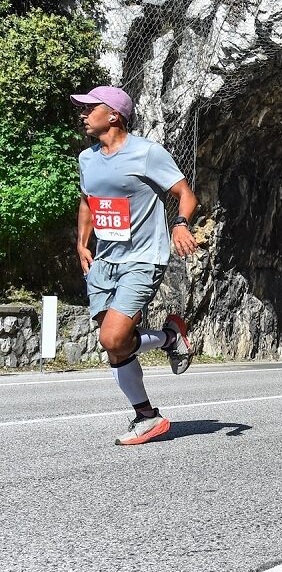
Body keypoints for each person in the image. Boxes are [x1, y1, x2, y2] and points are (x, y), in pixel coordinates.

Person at [73, 86, 197, 445]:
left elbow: (185, 193)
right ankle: (169, 342)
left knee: (111, 337)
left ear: (113, 115)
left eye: (89, 108)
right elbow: (88, 201)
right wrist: (82, 243)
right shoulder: (87, 158)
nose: (82, 115)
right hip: (105, 260)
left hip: (143, 258)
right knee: (117, 344)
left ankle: (147, 414)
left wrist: (180, 224)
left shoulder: (146, 153)